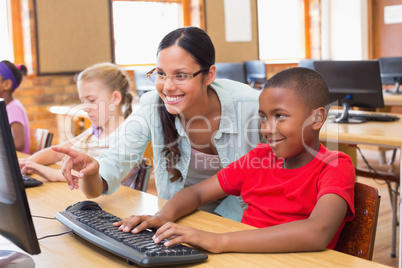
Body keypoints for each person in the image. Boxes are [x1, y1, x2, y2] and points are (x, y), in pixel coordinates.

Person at [113, 67, 356, 254]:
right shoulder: (259, 158)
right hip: (244, 256)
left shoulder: (335, 165)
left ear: (316, 117)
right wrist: (164, 216)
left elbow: (317, 232)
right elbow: (197, 194)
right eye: (263, 117)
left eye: (280, 116)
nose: (268, 129)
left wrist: (219, 241)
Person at [53, 26, 262, 221]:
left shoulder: (251, 107)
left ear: (209, 75)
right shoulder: (152, 107)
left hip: (245, 217)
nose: (168, 86)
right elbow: (104, 177)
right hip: (181, 216)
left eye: (181, 75)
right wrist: (91, 172)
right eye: (161, 73)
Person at [19, 62, 133, 182]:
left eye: (91, 100)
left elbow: (102, 176)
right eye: (83, 101)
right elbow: (57, 152)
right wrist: (28, 163)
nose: (85, 108)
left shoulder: (128, 135)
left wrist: (51, 173)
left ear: (115, 98)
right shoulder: (95, 131)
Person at [0, 60, 30, 154]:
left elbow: (19, 143)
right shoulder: (6, 107)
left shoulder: (13, 108)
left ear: (7, 84)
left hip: (17, 164)